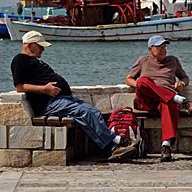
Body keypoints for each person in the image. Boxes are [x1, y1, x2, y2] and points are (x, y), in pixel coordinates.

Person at [11, 30, 138, 162]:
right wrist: (44, 89)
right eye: (40, 45)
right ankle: (117, 143)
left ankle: (112, 147)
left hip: (62, 99)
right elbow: (20, 87)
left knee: (93, 112)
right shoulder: (20, 60)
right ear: (30, 45)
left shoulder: (36, 61)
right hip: (49, 103)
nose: (43, 49)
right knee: (85, 113)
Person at [125, 35, 192, 162]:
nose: (163, 50)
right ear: (150, 49)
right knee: (142, 81)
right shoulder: (143, 61)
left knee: (168, 103)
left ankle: (166, 146)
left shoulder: (173, 61)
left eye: (164, 47)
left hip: (166, 99)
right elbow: (128, 79)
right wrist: (146, 87)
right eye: (159, 47)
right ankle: (180, 100)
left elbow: (185, 78)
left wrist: (181, 84)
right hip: (147, 100)